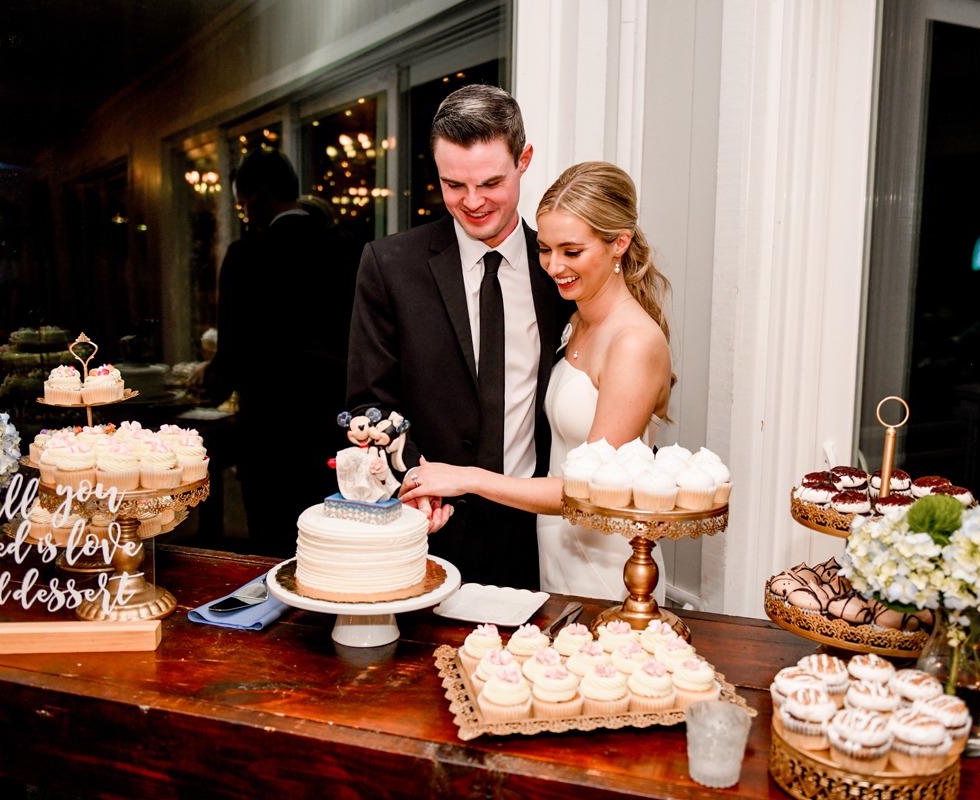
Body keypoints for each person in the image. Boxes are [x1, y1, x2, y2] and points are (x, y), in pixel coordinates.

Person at [401, 161, 674, 604]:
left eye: (572, 251)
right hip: (554, 548)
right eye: (545, 249)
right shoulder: (576, 322)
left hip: (606, 564)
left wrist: (468, 477)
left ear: (619, 243)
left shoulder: (634, 343)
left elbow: (587, 489)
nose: (553, 265)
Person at [345, 84, 573, 590]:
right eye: (454, 184)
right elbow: (370, 402)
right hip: (426, 532)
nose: (472, 203)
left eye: (491, 182)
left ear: (524, 160)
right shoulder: (390, 265)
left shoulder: (559, 272)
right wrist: (407, 482)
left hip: (538, 537)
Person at [198, 146, 361, 556]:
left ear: (255, 197)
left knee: (274, 550)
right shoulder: (349, 248)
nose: (245, 214)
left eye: (241, 205)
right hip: (335, 428)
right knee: (334, 546)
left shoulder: (246, 256)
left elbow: (232, 353)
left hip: (270, 434)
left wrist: (208, 386)